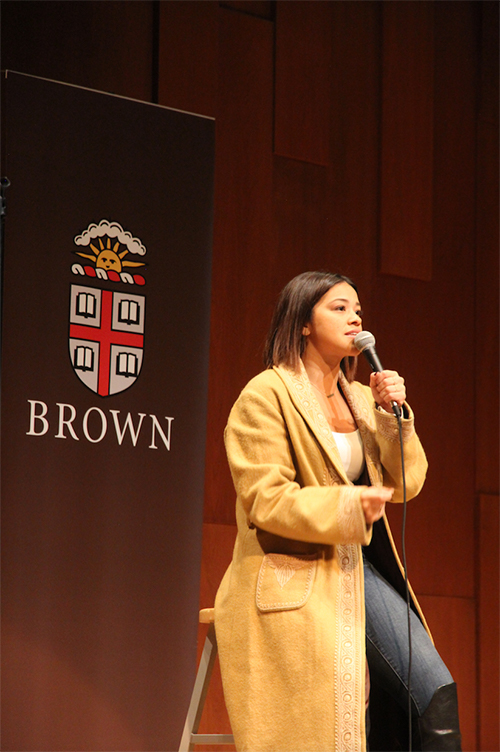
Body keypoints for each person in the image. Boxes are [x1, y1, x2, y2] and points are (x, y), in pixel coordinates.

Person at [214, 271, 461, 752]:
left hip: (359, 568)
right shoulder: (265, 394)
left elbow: (408, 483)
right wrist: (348, 505)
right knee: (338, 718)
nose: (355, 319)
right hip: (295, 571)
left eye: (359, 311)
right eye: (339, 308)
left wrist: (395, 418)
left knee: (434, 689)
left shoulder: (365, 398)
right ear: (304, 322)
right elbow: (266, 499)